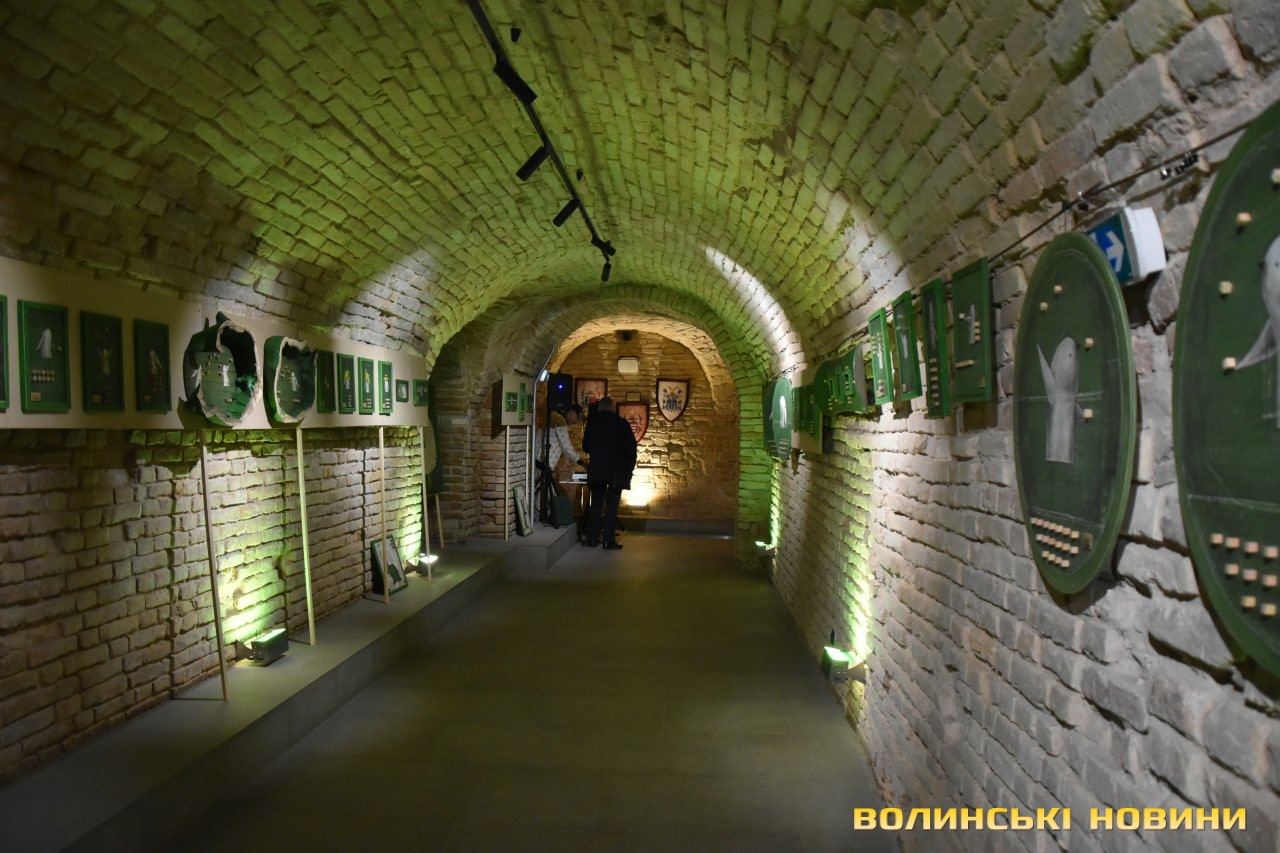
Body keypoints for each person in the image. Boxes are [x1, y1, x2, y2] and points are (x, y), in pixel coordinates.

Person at [581, 396, 637, 550]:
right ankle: (608, 540)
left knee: (596, 505)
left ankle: (592, 539)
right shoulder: (621, 424)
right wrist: (628, 469)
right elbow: (631, 449)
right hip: (616, 472)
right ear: (613, 408)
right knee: (612, 507)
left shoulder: (593, 424)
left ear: (599, 408)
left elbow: (586, 446)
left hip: (597, 470)